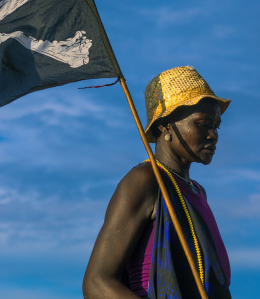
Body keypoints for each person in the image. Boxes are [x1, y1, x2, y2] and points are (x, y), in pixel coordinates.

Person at [83, 66, 232, 299]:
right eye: (203, 124)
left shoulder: (197, 192)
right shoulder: (145, 180)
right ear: (165, 126)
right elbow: (97, 283)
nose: (213, 135)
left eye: (216, 125)